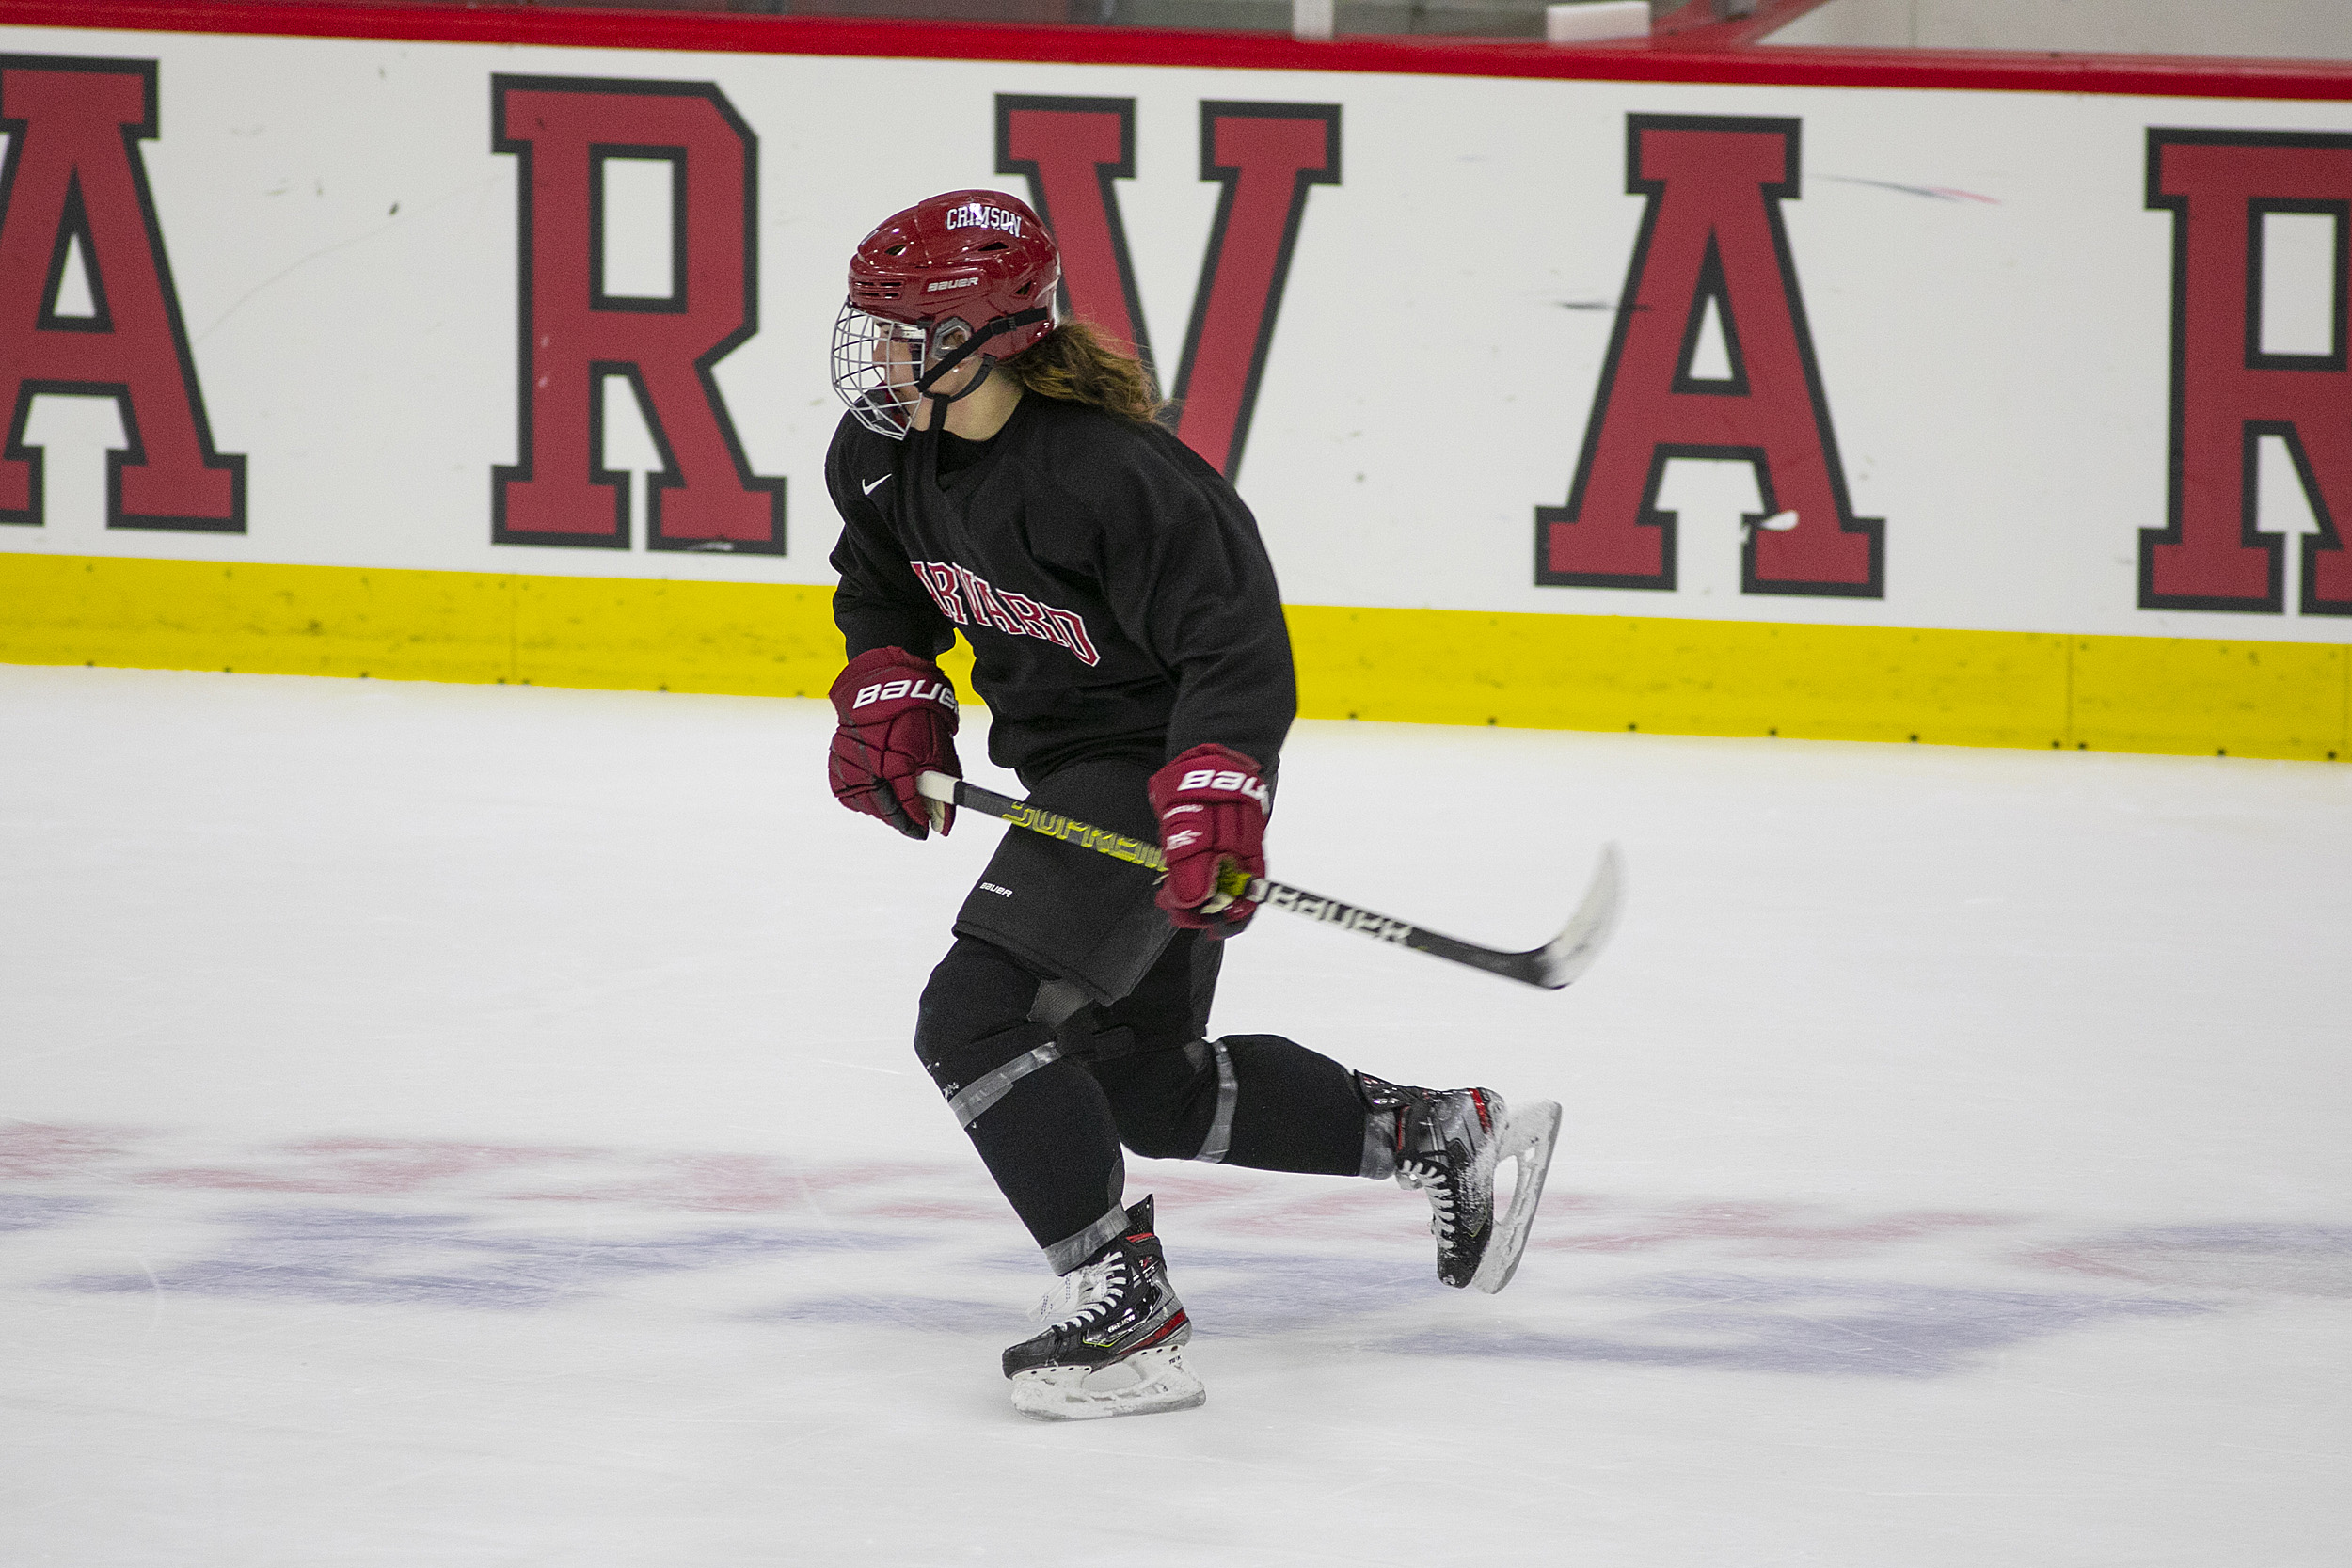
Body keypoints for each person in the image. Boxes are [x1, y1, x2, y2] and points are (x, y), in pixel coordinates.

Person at [821, 189, 1559, 1421]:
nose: (874, 351)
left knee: (976, 1019)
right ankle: (1444, 1137)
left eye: (898, 327)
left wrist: (1214, 796)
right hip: (1069, 780)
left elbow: (1235, 646)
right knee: (1137, 1078)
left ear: (971, 337)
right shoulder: (886, 457)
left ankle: (1127, 1312)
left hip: (1148, 771)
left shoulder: (1115, 478)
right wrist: (889, 684)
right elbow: (878, 580)